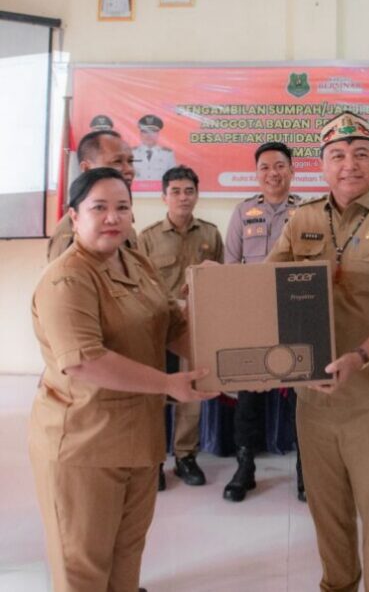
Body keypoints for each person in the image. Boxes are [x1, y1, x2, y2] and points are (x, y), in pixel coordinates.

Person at [267, 111, 369, 592]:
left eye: (361, 154)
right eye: (337, 155)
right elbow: (268, 287)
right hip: (314, 397)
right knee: (327, 510)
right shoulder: (303, 217)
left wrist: (360, 356)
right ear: (322, 165)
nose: (349, 165)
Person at [30, 167, 217, 592]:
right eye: (99, 208)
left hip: (138, 440)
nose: (113, 218)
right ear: (74, 216)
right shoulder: (67, 278)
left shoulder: (134, 260)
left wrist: (223, 362)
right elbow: (84, 361)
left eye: (122, 208)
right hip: (84, 445)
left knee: (126, 555)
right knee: (83, 570)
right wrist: (170, 384)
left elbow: (169, 325)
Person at [222, 141, 303, 503]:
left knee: (305, 391)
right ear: (256, 173)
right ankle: (245, 467)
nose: (273, 173)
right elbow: (230, 267)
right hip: (253, 314)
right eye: (265, 167)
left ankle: (307, 470)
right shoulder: (243, 213)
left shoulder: (307, 212)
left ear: (292, 170)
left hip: (295, 310)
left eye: (280, 166)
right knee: (249, 393)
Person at [139, 165, 224, 488]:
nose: (183, 197)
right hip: (157, 325)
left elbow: (219, 278)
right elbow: (139, 285)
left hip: (195, 325)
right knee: (158, 390)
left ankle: (186, 456)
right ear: (163, 197)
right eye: (175, 191)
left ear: (197, 195)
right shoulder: (147, 238)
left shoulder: (210, 234)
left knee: (191, 390)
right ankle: (156, 460)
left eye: (189, 191)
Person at [48, 130, 137, 262]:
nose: (129, 169)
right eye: (117, 162)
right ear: (87, 168)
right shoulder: (71, 230)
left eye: (130, 161)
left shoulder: (123, 222)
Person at [132, 115, 177, 181]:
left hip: (160, 191)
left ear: (158, 134)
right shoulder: (131, 153)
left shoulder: (167, 154)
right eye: (145, 131)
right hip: (136, 191)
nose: (149, 135)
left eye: (153, 131)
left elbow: (173, 177)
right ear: (140, 133)